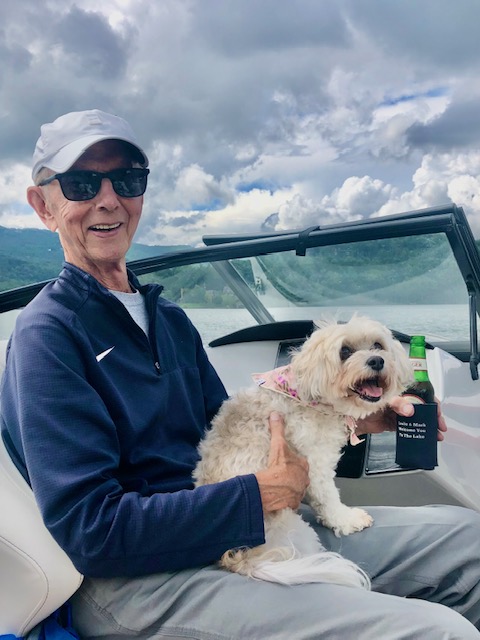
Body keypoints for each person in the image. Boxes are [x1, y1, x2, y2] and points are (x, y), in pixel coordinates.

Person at [1, 109, 479, 639]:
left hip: (247, 527)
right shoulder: (49, 336)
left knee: (472, 544)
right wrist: (256, 497)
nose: (109, 199)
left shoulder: (171, 321)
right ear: (43, 205)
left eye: (128, 179)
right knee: (438, 633)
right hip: (141, 580)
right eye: (82, 183)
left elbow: (237, 436)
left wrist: (358, 420)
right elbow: (91, 532)